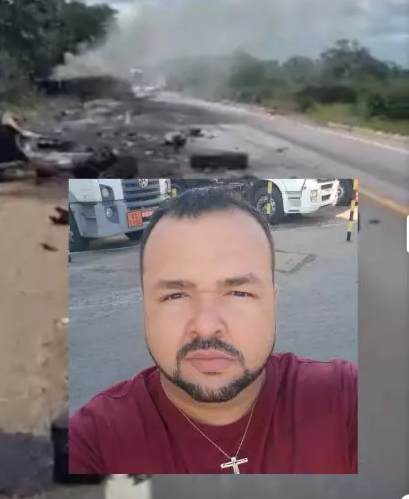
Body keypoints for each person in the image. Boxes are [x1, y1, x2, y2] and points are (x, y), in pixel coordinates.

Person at [68, 186, 357, 474]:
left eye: (238, 293)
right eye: (175, 296)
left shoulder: (344, 399)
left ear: (273, 302)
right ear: (145, 308)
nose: (206, 327)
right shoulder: (95, 443)